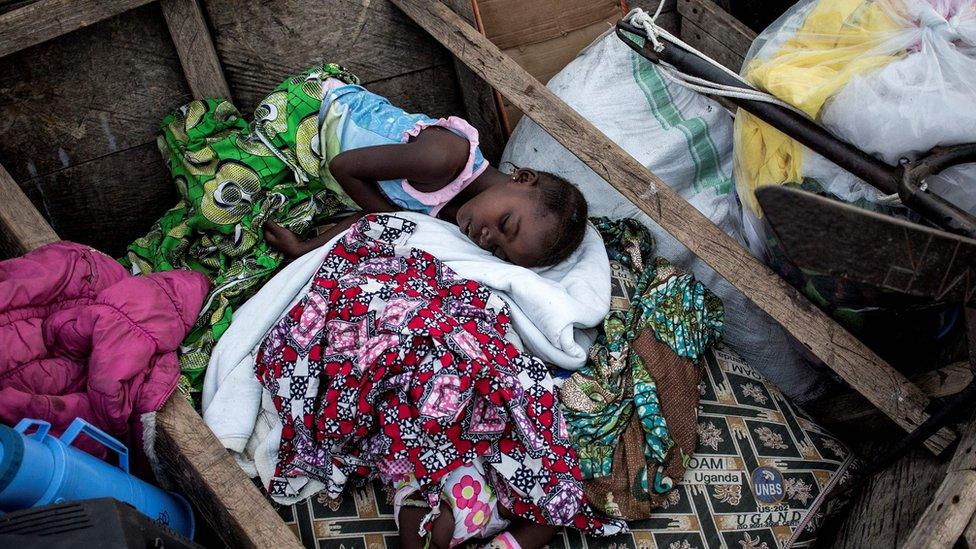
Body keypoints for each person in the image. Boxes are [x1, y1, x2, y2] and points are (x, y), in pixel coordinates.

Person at [263, 76, 588, 268]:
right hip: (311, 115)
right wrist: (396, 219)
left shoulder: (454, 217)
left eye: (497, 250)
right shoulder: (445, 159)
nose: (486, 238)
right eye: (505, 224)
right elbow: (345, 168)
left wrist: (304, 249)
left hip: (319, 166)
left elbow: (370, 217)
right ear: (523, 177)